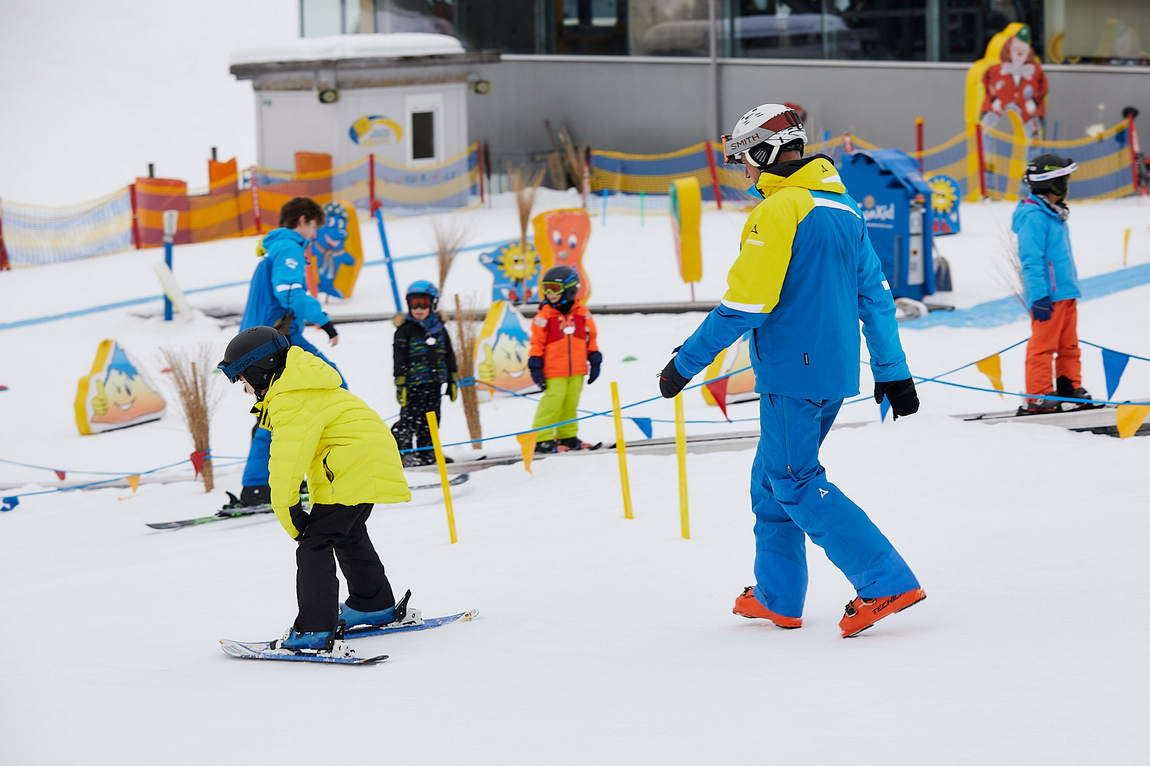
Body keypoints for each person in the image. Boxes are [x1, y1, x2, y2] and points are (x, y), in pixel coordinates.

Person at [658, 103, 925, 638]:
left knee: (792, 479)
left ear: (764, 152)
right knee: (770, 480)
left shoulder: (779, 211)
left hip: (790, 373)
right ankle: (777, 596)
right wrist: (893, 372)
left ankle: (884, 581)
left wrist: (685, 363)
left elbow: (745, 305)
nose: (747, 175)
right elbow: (874, 297)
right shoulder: (845, 211)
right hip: (831, 372)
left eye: (746, 162)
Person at [218, 326, 412, 653]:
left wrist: (291, 515)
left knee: (314, 544)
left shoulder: (291, 397)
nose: (245, 388)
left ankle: (313, 631)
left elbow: (286, 464)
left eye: (242, 378)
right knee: (348, 533)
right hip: (369, 462)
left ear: (260, 368)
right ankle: (371, 602)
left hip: (354, 466)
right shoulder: (305, 382)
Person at [233, 197, 343, 507]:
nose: (315, 235)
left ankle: (267, 481)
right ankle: (265, 483)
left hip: (269, 343)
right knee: (321, 393)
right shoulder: (289, 248)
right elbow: (290, 292)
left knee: (280, 410)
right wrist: (325, 321)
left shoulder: (276, 249)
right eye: (315, 228)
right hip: (273, 345)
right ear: (304, 220)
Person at [1013, 154, 1093, 414]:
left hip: (1066, 293)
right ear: (1052, 184)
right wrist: (1038, 297)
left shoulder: (1054, 214)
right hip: (1047, 297)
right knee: (1043, 347)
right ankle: (1038, 395)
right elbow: (1031, 261)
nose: (1067, 186)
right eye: (1064, 181)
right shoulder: (1034, 216)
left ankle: (1069, 385)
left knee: (1069, 346)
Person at [527, 265, 602, 453]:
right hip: (554, 371)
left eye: (554, 288)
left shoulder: (582, 314)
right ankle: (541, 438)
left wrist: (594, 358)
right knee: (552, 403)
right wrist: (535, 362)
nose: (549, 293)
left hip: (577, 370)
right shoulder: (544, 316)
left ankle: (567, 436)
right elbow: (536, 342)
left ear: (569, 289)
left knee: (570, 404)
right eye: (546, 288)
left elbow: (590, 337)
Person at [391, 280, 459, 466]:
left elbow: (449, 352)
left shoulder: (439, 329)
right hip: (414, 383)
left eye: (423, 303)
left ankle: (427, 452)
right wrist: (401, 382)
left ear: (433, 304)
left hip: (435, 382)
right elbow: (399, 357)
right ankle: (402, 452)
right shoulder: (405, 330)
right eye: (414, 304)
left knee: (432, 419)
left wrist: (453, 378)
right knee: (410, 419)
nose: (419, 308)